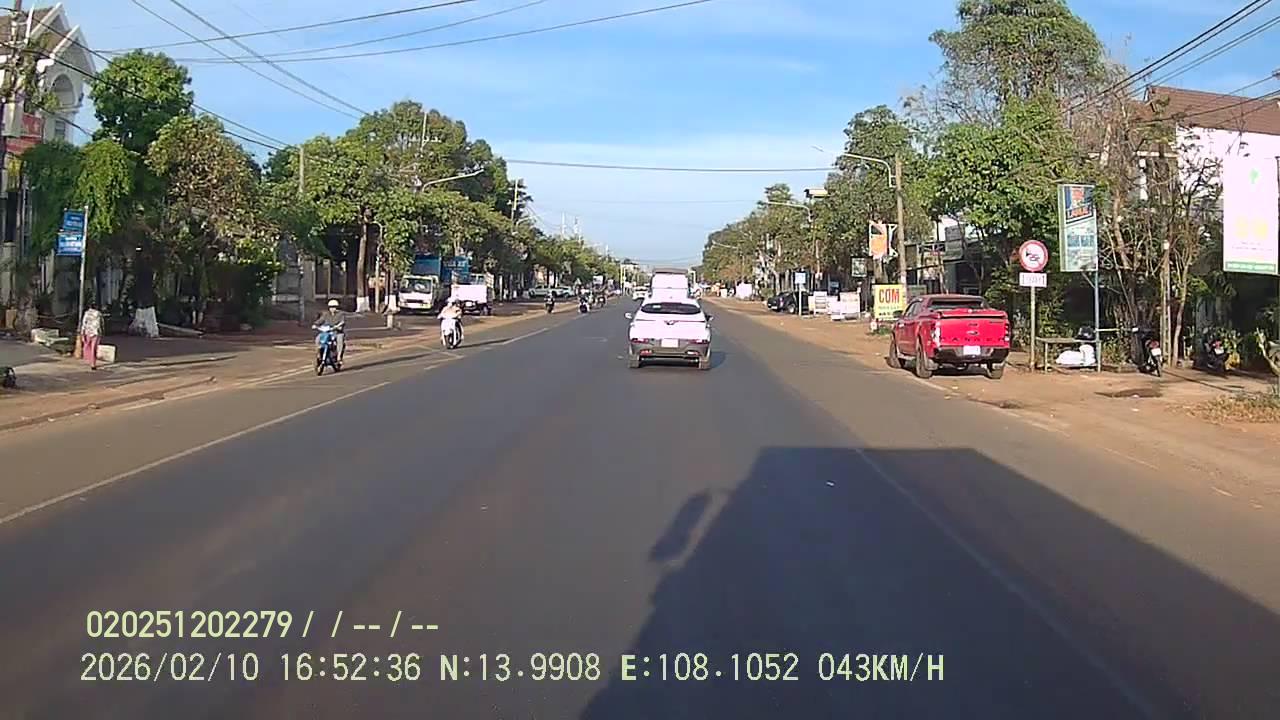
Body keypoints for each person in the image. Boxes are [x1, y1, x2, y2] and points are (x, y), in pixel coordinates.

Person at [80, 302, 103, 370]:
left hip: (88, 331)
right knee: (94, 348)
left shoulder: (86, 313)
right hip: (95, 332)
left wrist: (82, 332)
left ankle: (89, 359)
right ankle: (93, 363)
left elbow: (84, 323)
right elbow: (100, 323)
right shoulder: (98, 313)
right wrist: (101, 332)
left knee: (88, 346)